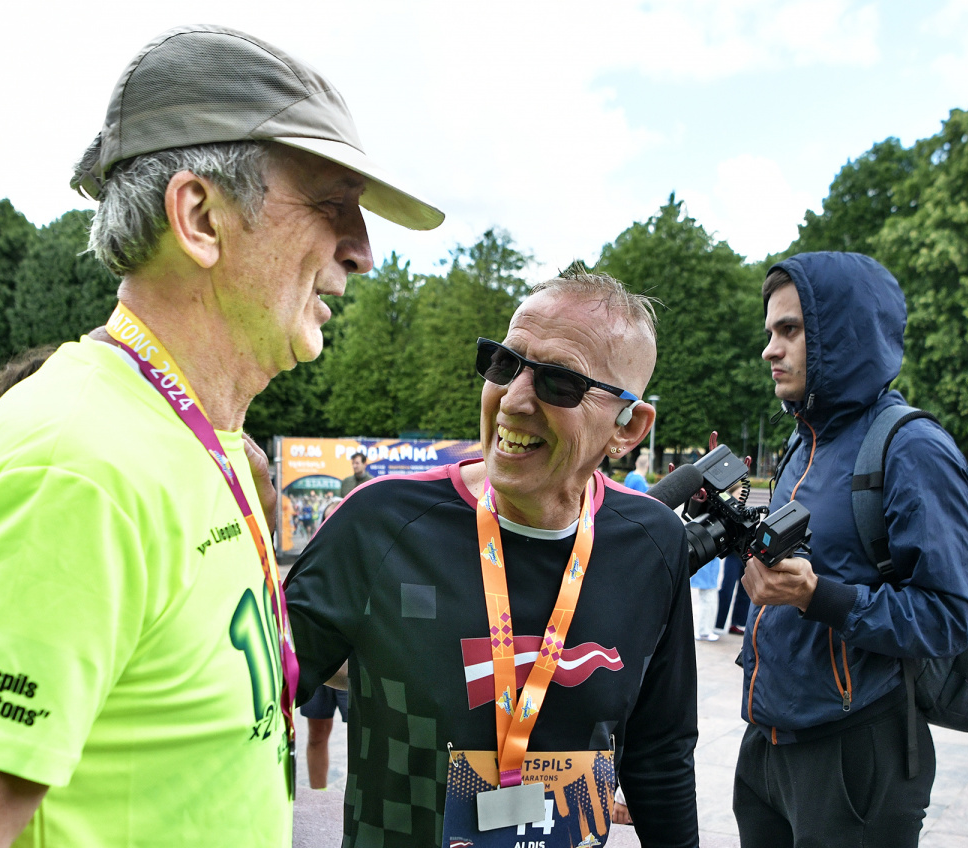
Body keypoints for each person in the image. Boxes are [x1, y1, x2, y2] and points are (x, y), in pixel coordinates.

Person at [0, 24, 441, 848]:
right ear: (201, 217)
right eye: (331, 204)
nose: (364, 250)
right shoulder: (74, 471)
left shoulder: (197, 441)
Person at [285, 268, 698, 847]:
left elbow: (661, 752)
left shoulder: (652, 542)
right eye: (505, 364)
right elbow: (251, 700)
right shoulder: (380, 523)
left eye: (560, 382)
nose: (514, 398)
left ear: (628, 428)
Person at [736, 252, 968, 848]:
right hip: (767, 740)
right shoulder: (804, 441)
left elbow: (952, 617)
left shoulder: (912, 447)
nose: (770, 350)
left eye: (789, 330)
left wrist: (819, 596)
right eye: (769, 332)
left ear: (839, 334)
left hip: (855, 750)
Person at [690, 555, 722, 641]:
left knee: (708, 598)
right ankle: (704, 631)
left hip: (708, 563)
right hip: (707, 564)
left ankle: (704, 630)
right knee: (708, 599)